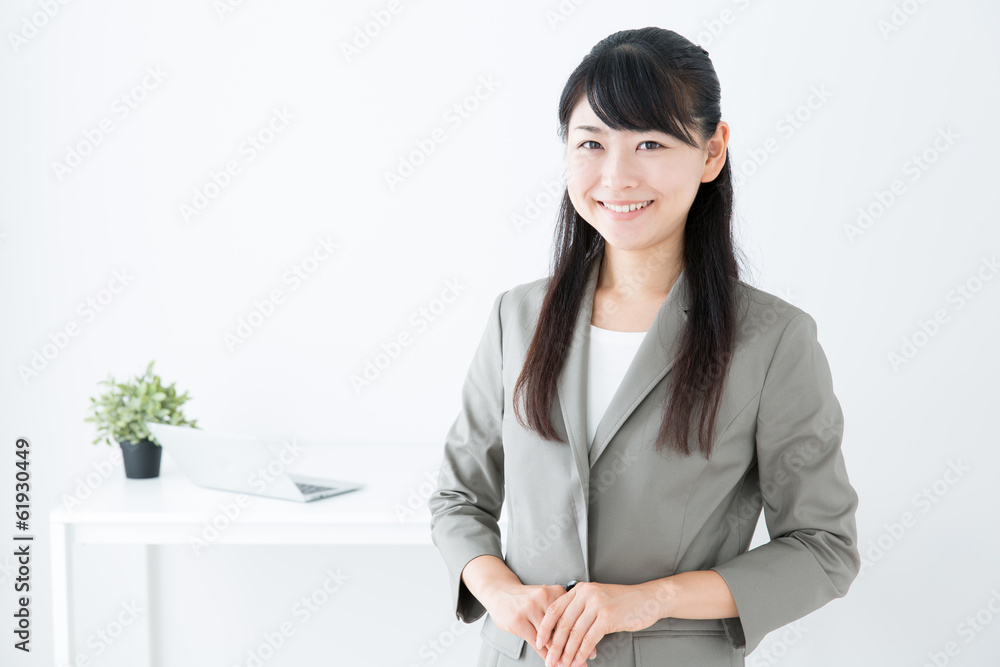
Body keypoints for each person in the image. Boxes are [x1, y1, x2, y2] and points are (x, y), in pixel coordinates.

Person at [428, 26, 860, 667]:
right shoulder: (515, 317)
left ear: (712, 153)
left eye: (650, 143)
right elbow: (458, 498)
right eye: (591, 144)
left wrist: (651, 600)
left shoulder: (774, 341)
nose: (615, 176)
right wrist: (501, 592)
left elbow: (824, 547)